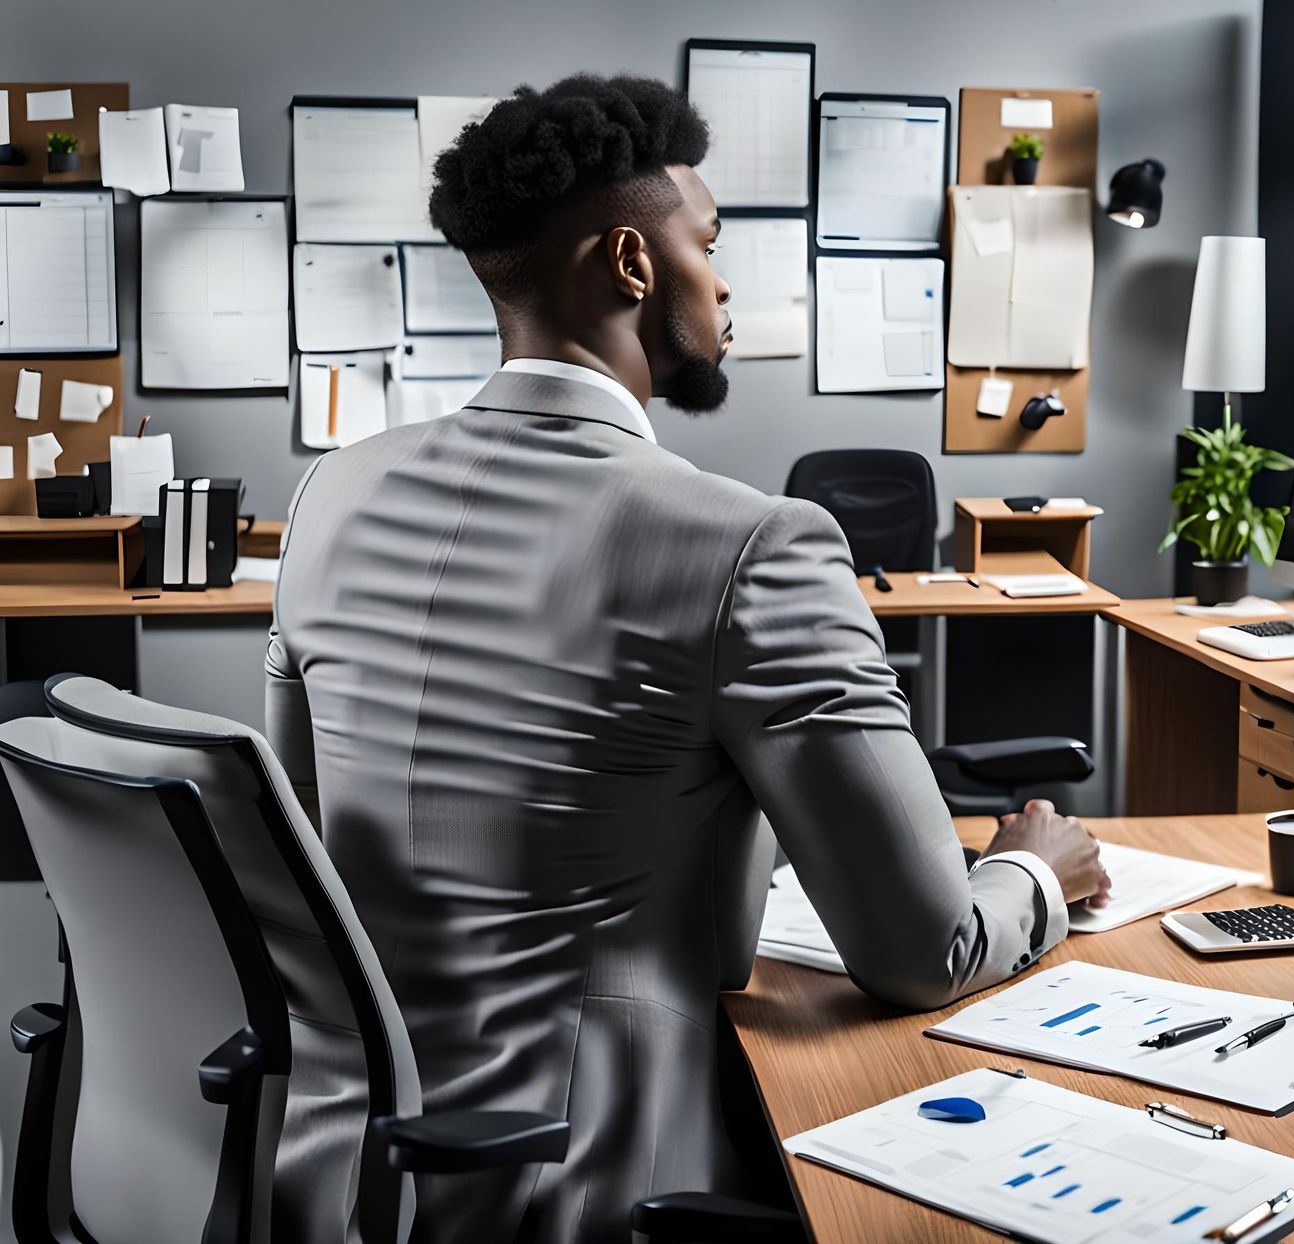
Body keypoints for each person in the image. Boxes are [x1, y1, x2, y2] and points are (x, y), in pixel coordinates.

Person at [266, 73, 1109, 1244]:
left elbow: (303, 841)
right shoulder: (753, 543)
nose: (723, 282)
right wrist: (1030, 870)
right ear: (629, 263)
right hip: (600, 1179)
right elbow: (923, 948)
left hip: (340, 1167)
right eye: (708, 245)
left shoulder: (333, 493)